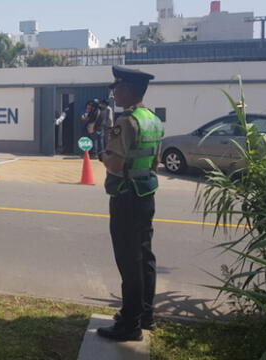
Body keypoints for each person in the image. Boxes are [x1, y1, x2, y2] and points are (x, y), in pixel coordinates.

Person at [97, 65, 164, 342]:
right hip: (146, 195)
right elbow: (156, 161)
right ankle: (146, 315)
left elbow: (115, 163)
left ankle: (129, 324)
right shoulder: (153, 120)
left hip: (125, 196)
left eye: (117, 87)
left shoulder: (126, 122)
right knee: (145, 256)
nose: (114, 93)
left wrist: (102, 156)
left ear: (129, 90)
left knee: (129, 260)